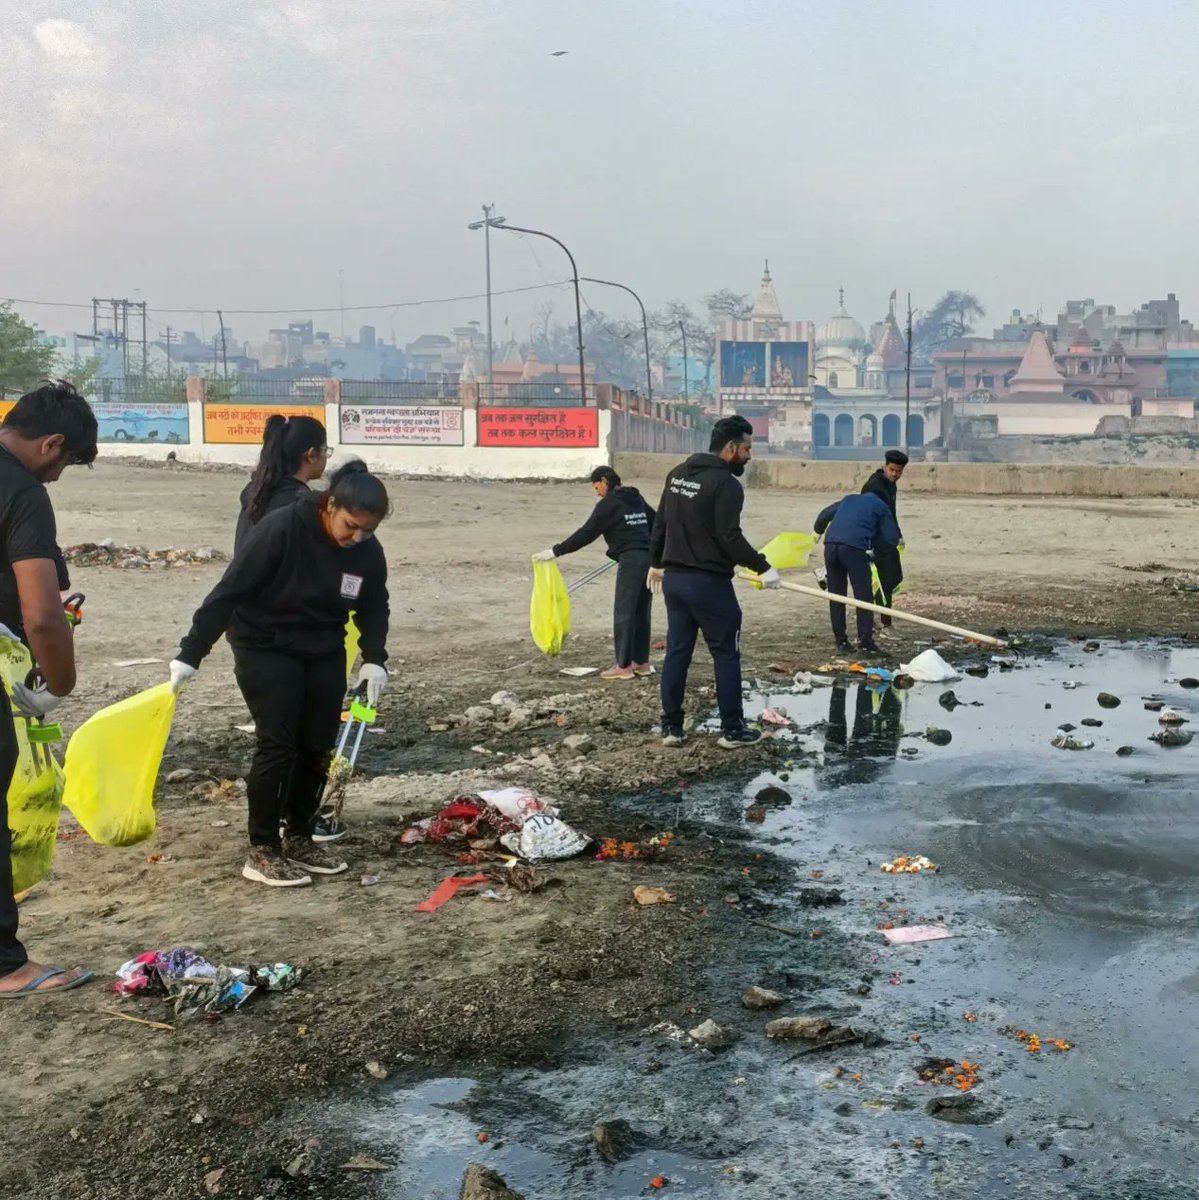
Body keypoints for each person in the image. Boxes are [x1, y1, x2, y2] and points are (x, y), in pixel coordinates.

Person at [169, 461, 391, 888]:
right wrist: (191, 652)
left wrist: (374, 657)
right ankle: (264, 848)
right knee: (279, 742)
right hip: (263, 643)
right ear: (330, 505)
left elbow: (373, 603)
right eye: (351, 526)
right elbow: (229, 590)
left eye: (368, 530)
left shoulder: (365, 550)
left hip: (323, 645)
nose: (357, 538)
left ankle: (300, 837)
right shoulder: (283, 528)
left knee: (317, 744)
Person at [0, 381, 96, 998]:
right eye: (65, 463)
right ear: (51, 444)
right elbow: (42, 615)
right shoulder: (23, 492)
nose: (60, 475)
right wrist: (60, 684)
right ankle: (6, 966)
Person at [649, 415, 780, 750]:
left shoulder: (677, 474)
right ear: (731, 447)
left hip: (675, 582)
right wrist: (763, 567)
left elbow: (660, 523)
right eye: (747, 449)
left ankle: (671, 727)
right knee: (726, 654)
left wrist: (656, 563)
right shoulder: (726, 485)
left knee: (678, 652)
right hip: (708, 584)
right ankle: (732, 730)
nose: (750, 457)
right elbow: (729, 537)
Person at [533, 466, 656, 681]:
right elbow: (656, 523)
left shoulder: (608, 504)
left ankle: (624, 666)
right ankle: (641, 663)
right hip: (649, 559)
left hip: (632, 559)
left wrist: (556, 551)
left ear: (604, 480)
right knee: (640, 611)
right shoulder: (636, 498)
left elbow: (587, 533)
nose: (596, 491)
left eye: (596, 485)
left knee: (624, 611)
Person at [814, 490, 900, 655]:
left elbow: (825, 514)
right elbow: (891, 538)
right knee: (863, 597)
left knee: (836, 595)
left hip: (830, 545)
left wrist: (817, 530)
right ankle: (866, 643)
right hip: (853, 548)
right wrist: (876, 553)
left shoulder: (849, 499)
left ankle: (841, 641)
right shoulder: (881, 506)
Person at [234, 414, 330, 552]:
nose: (326, 457)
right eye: (325, 451)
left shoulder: (255, 490)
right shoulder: (300, 504)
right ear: (312, 455)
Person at [860, 449, 907, 625]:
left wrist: (898, 534)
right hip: (874, 541)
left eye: (899, 471)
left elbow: (890, 513)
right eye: (892, 470)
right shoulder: (874, 486)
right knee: (880, 581)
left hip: (887, 539)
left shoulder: (890, 485)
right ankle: (878, 621)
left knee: (893, 578)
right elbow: (866, 514)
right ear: (885, 467)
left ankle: (884, 617)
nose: (895, 474)